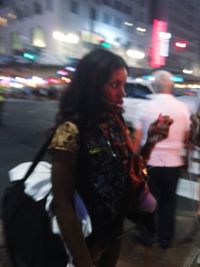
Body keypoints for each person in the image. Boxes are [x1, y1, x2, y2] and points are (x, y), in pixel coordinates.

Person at [48, 49, 173, 267]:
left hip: (113, 232)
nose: (122, 93)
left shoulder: (115, 122)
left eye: (123, 85)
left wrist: (151, 141)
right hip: (84, 240)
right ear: (92, 85)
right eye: (115, 85)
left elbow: (130, 171)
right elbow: (63, 204)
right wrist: (84, 261)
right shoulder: (70, 130)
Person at [132, 70, 191, 249]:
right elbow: (186, 139)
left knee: (148, 201)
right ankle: (166, 239)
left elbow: (137, 138)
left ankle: (148, 235)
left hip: (150, 162)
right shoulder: (182, 108)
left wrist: (133, 163)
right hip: (173, 163)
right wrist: (185, 158)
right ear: (171, 86)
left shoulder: (145, 106)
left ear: (155, 86)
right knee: (169, 200)